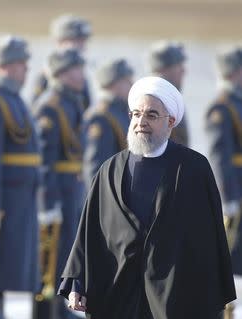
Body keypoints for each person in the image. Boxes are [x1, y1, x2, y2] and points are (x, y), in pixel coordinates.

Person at [59, 76, 236, 319]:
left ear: (171, 122)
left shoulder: (194, 169)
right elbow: (89, 234)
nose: (141, 121)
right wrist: (76, 282)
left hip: (174, 296)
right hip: (117, 293)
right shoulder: (109, 171)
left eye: (151, 115)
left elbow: (208, 242)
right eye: (136, 114)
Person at [0, 35, 40, 319]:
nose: (26, 70)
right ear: (4, 66)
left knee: (17, 269)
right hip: (6, 197)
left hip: (22, 197)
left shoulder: (15, 99)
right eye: (20, 64)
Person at [33, 48, 85, 319]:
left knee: (67, 257)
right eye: (76, 68)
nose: (82, 74)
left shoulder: (72, 101)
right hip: (57, 194)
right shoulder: (50, 106)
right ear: (63, 73)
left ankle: (61, 312)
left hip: (71, 190)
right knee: (50, 265)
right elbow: (44, 161)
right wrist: (47, 203)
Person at [205, 46, 242, 319]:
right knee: (233, 259)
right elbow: (219, 157)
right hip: (235, 196)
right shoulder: (222, 107)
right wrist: (227, 199)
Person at [83, 58, 133, 186]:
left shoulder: (123, 111)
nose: (132, 84)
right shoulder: (101, 116)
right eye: (127, 81)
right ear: (113, 84)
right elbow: (96, 165)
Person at [32, 14, 92, 110]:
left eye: (83, 41)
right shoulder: (46, 76)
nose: (82, 46)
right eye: (76, 40)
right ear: (60, 42)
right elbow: (36, 110)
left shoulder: (80, 77)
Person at [147, 41, 189, 146]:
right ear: (164, 68)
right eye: (179, 65)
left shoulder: (170, 97)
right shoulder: (156, 100)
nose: (183, 71)